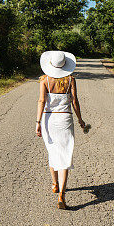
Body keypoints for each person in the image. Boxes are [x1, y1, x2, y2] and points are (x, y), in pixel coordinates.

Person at [36, 50, 86, 209]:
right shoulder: (71, 80)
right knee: (65, 156)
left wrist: (38, 122)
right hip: (65, 119)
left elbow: (41, 101)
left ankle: (54, 183)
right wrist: (80, 119)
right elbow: (75, 102)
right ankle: (61, 196)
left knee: (53, 152)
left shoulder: (45, 80)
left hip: (49, 120)